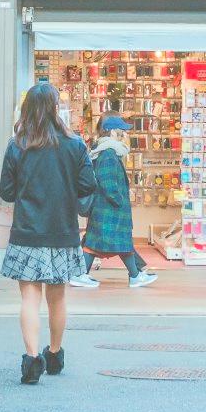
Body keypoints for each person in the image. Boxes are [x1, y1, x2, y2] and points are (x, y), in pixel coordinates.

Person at [0, 82, 96, 384]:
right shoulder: (75, 145)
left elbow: (7, 192)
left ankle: (31, 359)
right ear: (56, 109)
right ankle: (54, 354)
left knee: (29, 298)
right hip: (62, 232)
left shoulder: (17, 145)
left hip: (27, 232)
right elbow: (87, 187)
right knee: (58, 298)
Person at [79, 115, 156, 288]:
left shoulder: (106, 151)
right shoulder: (108, 153)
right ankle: (134, 276)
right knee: (113, 243)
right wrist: (120, 200)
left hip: (106, 209)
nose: (124, 134)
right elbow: (108, 183)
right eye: (121, 131)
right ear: (112, 131)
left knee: (101, 244)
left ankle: (134, 275)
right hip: (110, 209)